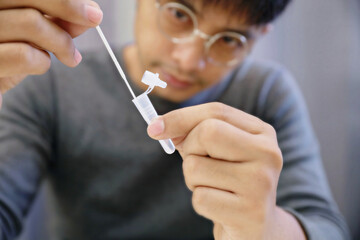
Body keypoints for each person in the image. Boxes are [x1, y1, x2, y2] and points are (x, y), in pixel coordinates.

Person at [0, 0, 351, 239]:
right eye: (180, 14)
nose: (188, 60)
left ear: (260, 35)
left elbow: (328, 228)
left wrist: (269, 227)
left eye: (229, 39)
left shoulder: (264, 94)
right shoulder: (50, 83)